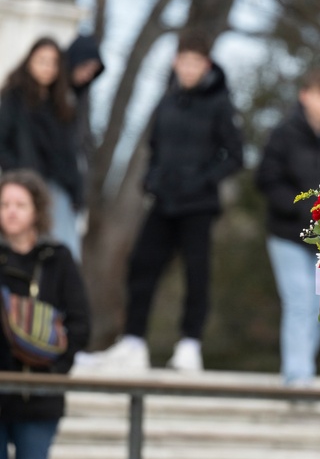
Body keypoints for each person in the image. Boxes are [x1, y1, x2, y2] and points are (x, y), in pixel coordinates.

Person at [75, 30, 243, 373]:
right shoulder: (166, 100)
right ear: (175, 62)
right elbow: (154, 147)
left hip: (198, 204)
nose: (190, 68)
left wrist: (203, 179)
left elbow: (235, 156)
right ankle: (133, 341)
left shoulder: (220, 103)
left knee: (197, 274)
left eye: (196, 63)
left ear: (206, 64)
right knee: (141, 265)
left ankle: (189, 345)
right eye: (184, 61)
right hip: (163, 202)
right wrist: (151, 179)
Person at [0, 169, 90, 459]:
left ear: (37, 209)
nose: (11, 212)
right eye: (4, 204)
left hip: (41, 398)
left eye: (20, 204)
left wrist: (55, 371)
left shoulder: (58, 259)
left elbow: (81, 321)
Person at [256, 68, 320, 387]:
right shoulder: (283, 134)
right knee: (300, 300)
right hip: (287, 235)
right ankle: (297, 375)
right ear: (304, 95)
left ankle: (301, 370)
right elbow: (266, 179)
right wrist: (301, 209)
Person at [0, 37, 85, 260]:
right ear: (29, 61)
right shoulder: (13, 99)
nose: (47, 67)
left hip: (58, 189)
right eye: (42, 60)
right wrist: (19, 178)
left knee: (63, 253)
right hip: (26, 187)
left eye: (53, 62)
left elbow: (71, 153)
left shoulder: (64, 105)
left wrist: (77, 189)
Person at [65, 33, 105, 209]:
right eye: (86, 68)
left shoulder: (82, 97)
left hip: (71, 180)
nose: (88, 75)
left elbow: (84, 140)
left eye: (92, 72)